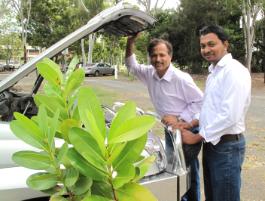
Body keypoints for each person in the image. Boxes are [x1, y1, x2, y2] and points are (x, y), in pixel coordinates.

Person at [125, 33, 203, 201]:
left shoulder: (181, 78)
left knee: (186, 172)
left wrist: (180, 119)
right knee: (176, 170)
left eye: (162, 55)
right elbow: (131, 66)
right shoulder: (149, 73)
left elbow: (201, 102)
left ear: (170, 56)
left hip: (185, 129)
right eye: (154, 55)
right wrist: (130, 41)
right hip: (170, 131)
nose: (158, 59)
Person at [181, 25, 251, 201]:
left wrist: (197, 137)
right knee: (213, 196)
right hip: (213, 144)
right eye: (203, 46)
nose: (206, 50)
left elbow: (229, 115)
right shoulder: (214, 72)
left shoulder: (234, 71)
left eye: (211, 44)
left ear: (225, 44)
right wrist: (191, 123)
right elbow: (209, 108)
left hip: (227, 147)